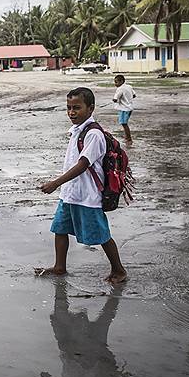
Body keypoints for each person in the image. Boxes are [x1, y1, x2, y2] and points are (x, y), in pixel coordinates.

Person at [36, 87, 127, 284]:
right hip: (70, 193)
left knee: (101, 234)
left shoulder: (94, 134)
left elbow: (83, 164)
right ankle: (60, 267)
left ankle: (119, 270)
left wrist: (55, 183)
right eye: (68, 108)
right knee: (59, 228)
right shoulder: (77, 131)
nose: (71, 112)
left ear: (91, 108)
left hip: (88, 195)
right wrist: (62, 187)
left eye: (76, 108)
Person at [112, 75, 135, 146]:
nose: (115, 84)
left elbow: (116, 98)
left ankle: (129, 139)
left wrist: (115, 100)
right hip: (129, 108)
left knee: (124, 124)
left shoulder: (120, 89)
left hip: (124, 109)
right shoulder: (129, 87)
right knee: (124, 123)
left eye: (116, 82)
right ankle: (126, 136)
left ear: (121, 81)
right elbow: (134, 95)